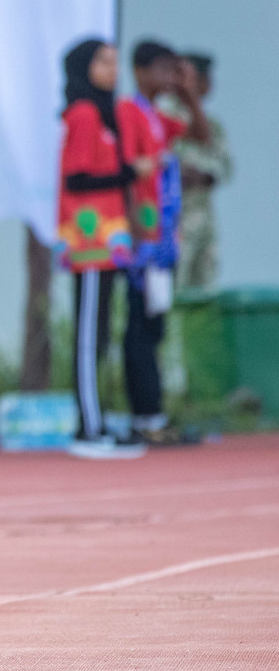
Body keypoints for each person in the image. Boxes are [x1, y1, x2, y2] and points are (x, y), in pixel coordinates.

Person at [54, 39, 146, 460]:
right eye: (104, 61)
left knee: (102, 332)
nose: (114, 69)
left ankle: (100, 417)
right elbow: (76, 179)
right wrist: (128, 173)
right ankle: (88, 427)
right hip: (90, 242)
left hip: (111, 241)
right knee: (90, 335)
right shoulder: (84, 114)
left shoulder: (108, 115)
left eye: (115, 61)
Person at [116, 40, 210, 439]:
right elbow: (125, 171)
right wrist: (135, 226)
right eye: (165, 71)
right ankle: (144, 415)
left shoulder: (157, 116)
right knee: (139, 323)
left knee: (154, 323)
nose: (171, 79)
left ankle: (153, 412)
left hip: (163, 234)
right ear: (140, 71)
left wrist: (190, 94)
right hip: (143, 234)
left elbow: (200, 136)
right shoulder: (128, 111)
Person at [169, 53, 230, 291]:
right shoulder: (166, 116)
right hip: (176, 220)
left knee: (205, 290)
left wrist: (204, 176)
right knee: (175, 289)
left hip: (204, 219)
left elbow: (225, 168)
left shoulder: (212, 124)